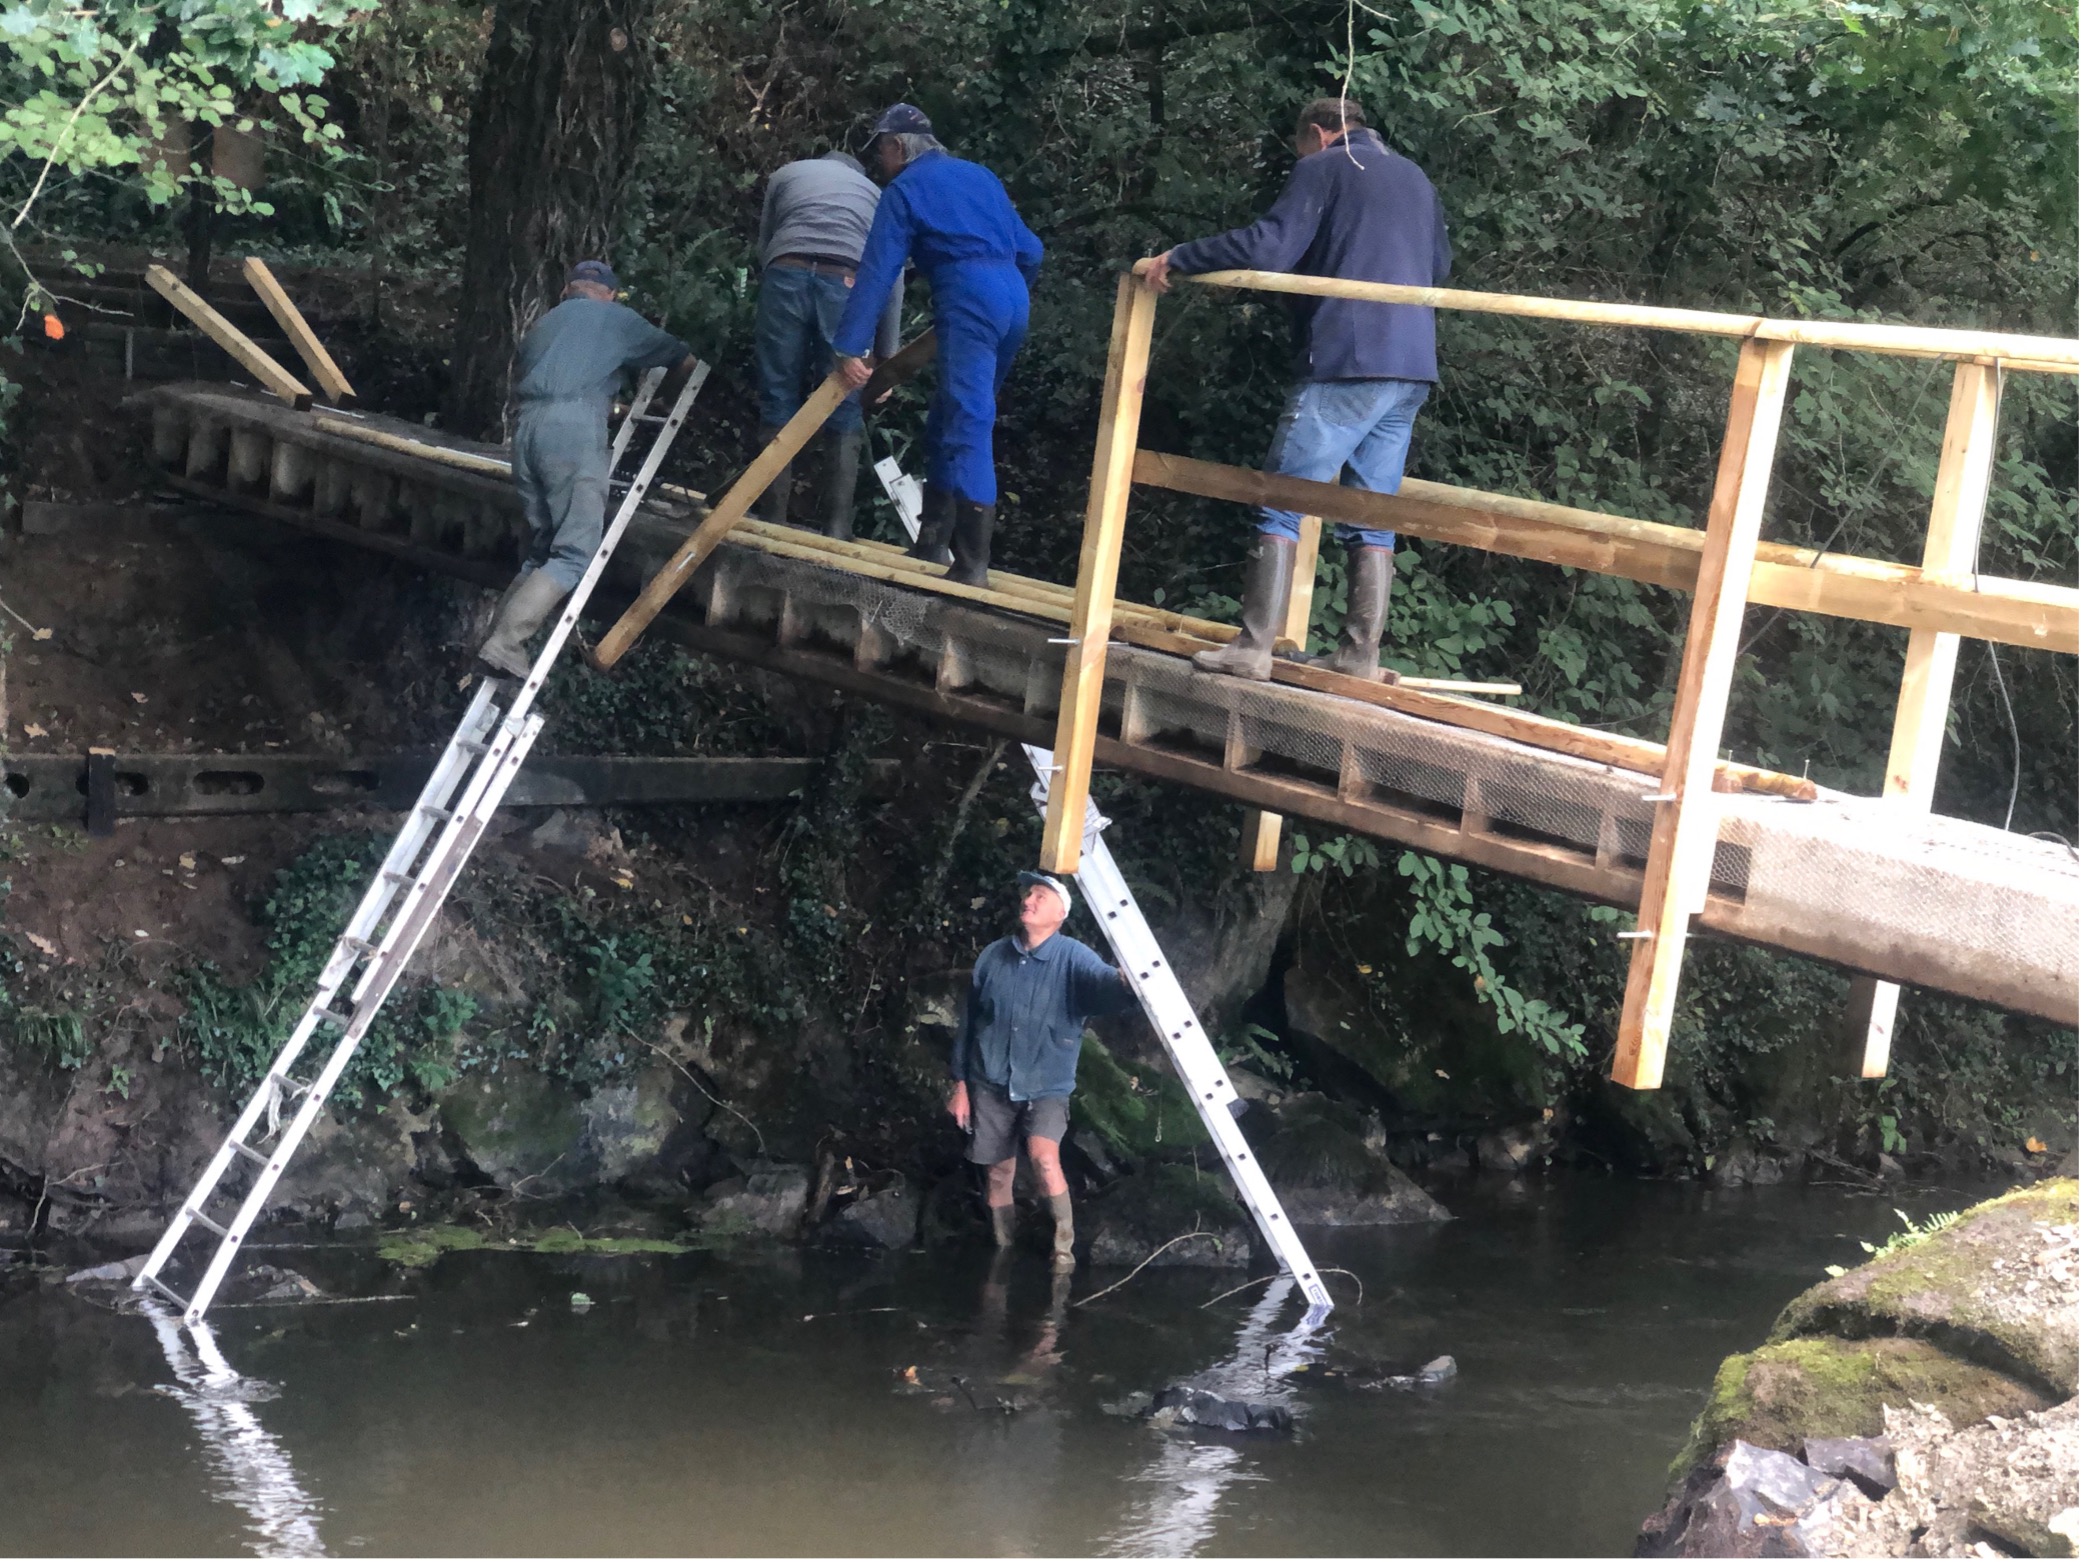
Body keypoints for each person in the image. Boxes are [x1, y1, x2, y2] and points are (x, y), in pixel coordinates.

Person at [1145, 97, 1453, 683]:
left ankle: (1253, 646)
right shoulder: (1413, 175)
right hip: (1412, 363)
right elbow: (1438, 266)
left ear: (1317, 133)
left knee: (1281, 495)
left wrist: (1183, 256)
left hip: (1347, 359)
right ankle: (1359, 655)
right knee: (1371, 512)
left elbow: (1271, 245)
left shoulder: (1325, 166)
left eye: (1299, 148)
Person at [832, 103, 1043, 588]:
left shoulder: (905, 189)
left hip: (968, 295)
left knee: (969, 421)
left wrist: (851, 345)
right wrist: (1007, 293)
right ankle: (931, 541)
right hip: (1013, 295)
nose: (879, 161)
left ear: (897, 146)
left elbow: (879, 271)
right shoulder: (981, 176)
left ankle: (971, 565)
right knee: (953, 413)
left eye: (881, 151)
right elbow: (1033, 250)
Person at [478, 260, 699, 677]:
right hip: (573, 430)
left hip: (526, 429)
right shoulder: (616, 319)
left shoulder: (543, 325)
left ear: (567, 290)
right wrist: (665, 402)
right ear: (610, 294)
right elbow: (684, 361)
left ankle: (495, 641)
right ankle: (505, 643)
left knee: (543, 548)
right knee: (574, 552)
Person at [947, 870, 1138, 1272]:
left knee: (1044, 1157)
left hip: (1047, 1084)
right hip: (990, 1079)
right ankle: (1003, 1249)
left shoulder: (1073, 956)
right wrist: (960, 1083)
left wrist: (1127, 981)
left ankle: (1062, 1251)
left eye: (1040, 896)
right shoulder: (993, 956)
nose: (1028, 900)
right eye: (1028, 893)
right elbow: (969, 1022)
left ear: (1060, 914)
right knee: (998, 1170)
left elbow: (1105, 987)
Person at [752, 149, 904, 538]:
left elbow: (764, 246)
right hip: (846, 278)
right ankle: (836, 527)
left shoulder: (786, 172)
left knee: (777, 394)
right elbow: (891, 276)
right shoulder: (874, 193)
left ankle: (771, 519)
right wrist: (886, 358)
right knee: (843, 395)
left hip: (786, 269)